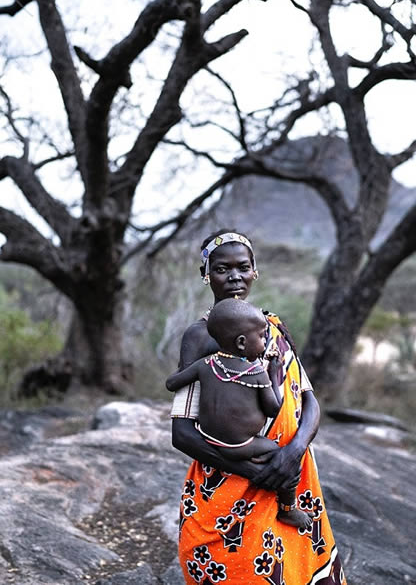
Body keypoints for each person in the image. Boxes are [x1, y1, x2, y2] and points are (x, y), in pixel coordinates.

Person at [170, 230, 347, 585]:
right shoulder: (201, 338)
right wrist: (259, 475)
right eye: (222, 269)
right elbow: (182, 433)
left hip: (294, 474)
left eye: (242, 267)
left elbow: (309, 399)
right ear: (206, 275)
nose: (234, 277)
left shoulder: (273, 328)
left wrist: (292, 454)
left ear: (255, 272)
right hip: (232, 480)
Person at [166, 297, 313, 530]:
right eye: (263, 335)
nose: (266, 340)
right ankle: (288, 509)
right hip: (242, 446)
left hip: (211, 442)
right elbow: (273, 408)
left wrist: (185, 369)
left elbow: (172, 383)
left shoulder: (206, 364)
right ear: (242, 343)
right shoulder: (256, 373)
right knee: (285, 461)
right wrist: (274, 374)